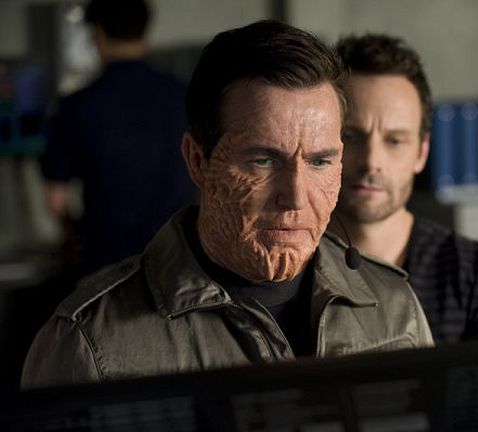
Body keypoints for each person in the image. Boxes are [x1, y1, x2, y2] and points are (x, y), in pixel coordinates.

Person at [21, 21, 434, 389]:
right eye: (263, 161)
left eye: (320, 161)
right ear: (197, 160)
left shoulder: (394, 307)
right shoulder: (90, 344)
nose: (295, 197)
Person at [329, 34, 478, 344]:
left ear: (421, 153)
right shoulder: (285, 268)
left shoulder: (477, 275)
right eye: (350, 136)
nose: (371, 161)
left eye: (395, 140)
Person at [40, 0, 196, 275]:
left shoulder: (77, 105)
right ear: (144, 31)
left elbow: (57, 199)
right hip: (181, 260)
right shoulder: (185, 97)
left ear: (97, 33)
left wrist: (73, 235)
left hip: (109, 267)